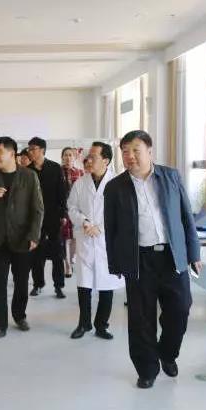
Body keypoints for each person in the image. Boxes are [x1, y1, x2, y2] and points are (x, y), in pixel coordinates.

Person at [104, 130, 201, 389]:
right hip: (139, 259)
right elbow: (111, 228)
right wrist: (115, 263)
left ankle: (167, 353)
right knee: (140, 318)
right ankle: (147, 368)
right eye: (125, 151)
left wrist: (194, 253)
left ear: (149, 151)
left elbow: (186, 216)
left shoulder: (170, 176)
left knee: (180, 309)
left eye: (135, 150)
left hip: (172, 256)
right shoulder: (115, 187)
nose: (130, 156)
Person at [0, 136, 44, 341]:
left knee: (21, 281)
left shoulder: (29, 176)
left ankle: (19, 315)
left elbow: (38, 208)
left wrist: (34, 235)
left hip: (22, 238)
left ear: (12, 153)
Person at [67, 145, 124, 340]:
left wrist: (100, 228)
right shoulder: (80, 183)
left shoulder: (117, 183)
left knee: (106, 285)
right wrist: (84, 222)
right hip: (85, 239)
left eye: (93, 157)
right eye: (88, 157)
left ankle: (101, 325)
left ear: (106, 160)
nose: (88, 160)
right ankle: (84, 324)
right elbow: (71, 207)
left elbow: (121, 212)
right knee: (84, 285)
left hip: (107, 241)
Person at [27, 137, 69, 299]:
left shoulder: (54, 168)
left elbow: (62, 192)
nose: (30, 152)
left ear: (42, 150)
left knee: (57, 253)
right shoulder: (27, 171)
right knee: (36, 254)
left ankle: (59, 286)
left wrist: (63, 214)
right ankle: (38, 284)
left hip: (53, 217)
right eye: (29, 149)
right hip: (34, 219)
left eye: (33, 149)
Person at [61, 147, 84, 278]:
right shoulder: (57, 172)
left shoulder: (80, 172)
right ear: (62, 157)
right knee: (65, 238)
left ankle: (72, 258)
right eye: (65, 155)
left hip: (76, 209)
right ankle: (67, 265)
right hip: (63, 209)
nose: (68, 157)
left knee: (74, 237)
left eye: (70, 155)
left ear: (74, 158)